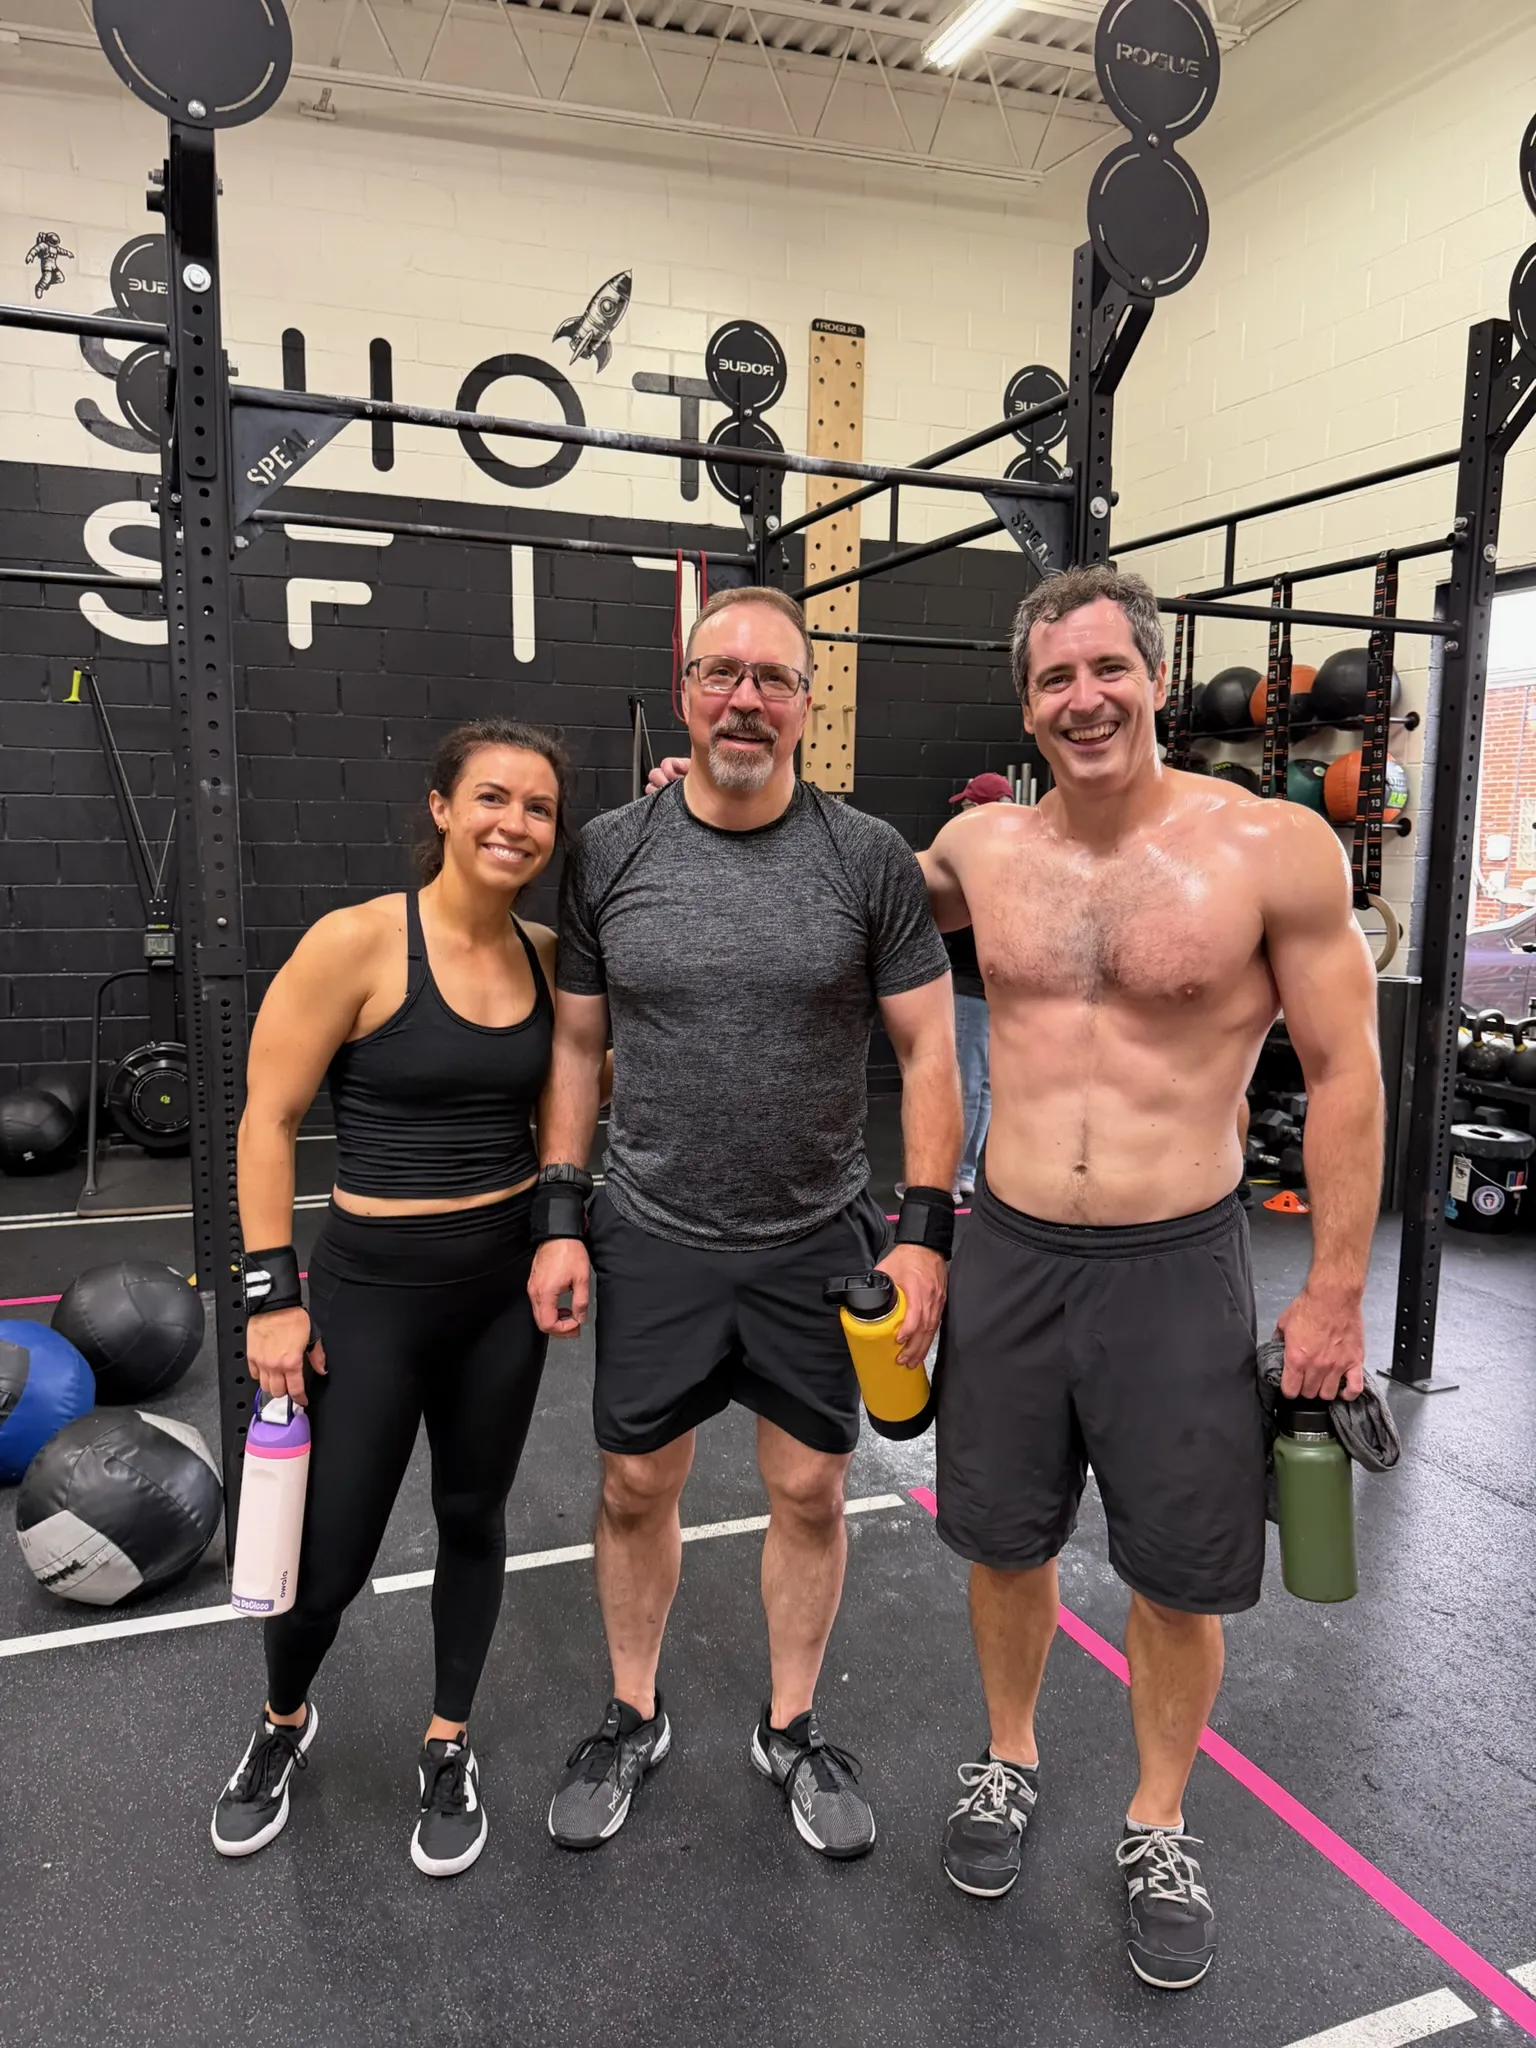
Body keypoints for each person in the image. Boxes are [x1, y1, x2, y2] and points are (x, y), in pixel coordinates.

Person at [919, 564, 1384, 1990]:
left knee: (1179, 1574)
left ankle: (1158, 1815)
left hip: (1178, 1260)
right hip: (1008, 1247)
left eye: (1107, 669)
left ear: (1157, 679)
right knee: (1005, 1537)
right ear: (1028, 704)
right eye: (1055, 679)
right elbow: (834, 888)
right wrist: (723, 788)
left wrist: (1337, 1293)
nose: (1085, 698)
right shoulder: (981, 853)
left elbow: (1349, 1074)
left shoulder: (1275, 847)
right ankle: (1008, 1757)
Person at [530, 584, 961, 1861]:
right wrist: (561, 1212)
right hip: (651, 1225)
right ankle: (632, 1711)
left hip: (817, 1235)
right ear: (685, 688)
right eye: (722, 673)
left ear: (807, 703)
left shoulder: (866, 854)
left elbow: (931, 1050)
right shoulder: (610, 848)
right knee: (632, 1483)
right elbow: (574, 1044)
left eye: (774, 679)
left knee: (812, 1487)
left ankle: (788, 1724)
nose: (745, 699)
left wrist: (924, 1228)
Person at [211, 718, 568, 1880]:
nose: (515, 822)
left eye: (539, 809)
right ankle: (282, 1720)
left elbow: (583, 1090)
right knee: (331, 1559)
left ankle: (448, 1738)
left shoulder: (550, 956)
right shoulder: (357, 943)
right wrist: (271, 1296)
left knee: (475, 1516)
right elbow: (265, 1121)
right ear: (441, 806)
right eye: (493, 798)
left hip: (499, 1297)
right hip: (368, 1298)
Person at [944, 773, 1015, 1198]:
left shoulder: (980, 861)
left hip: (973, 987)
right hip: (997, 991)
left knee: (968, 1085)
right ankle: (966, 1174)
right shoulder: (1015, 857)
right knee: (984, 1085)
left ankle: (950, 1178)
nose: (961, 813)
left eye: (967, 806)